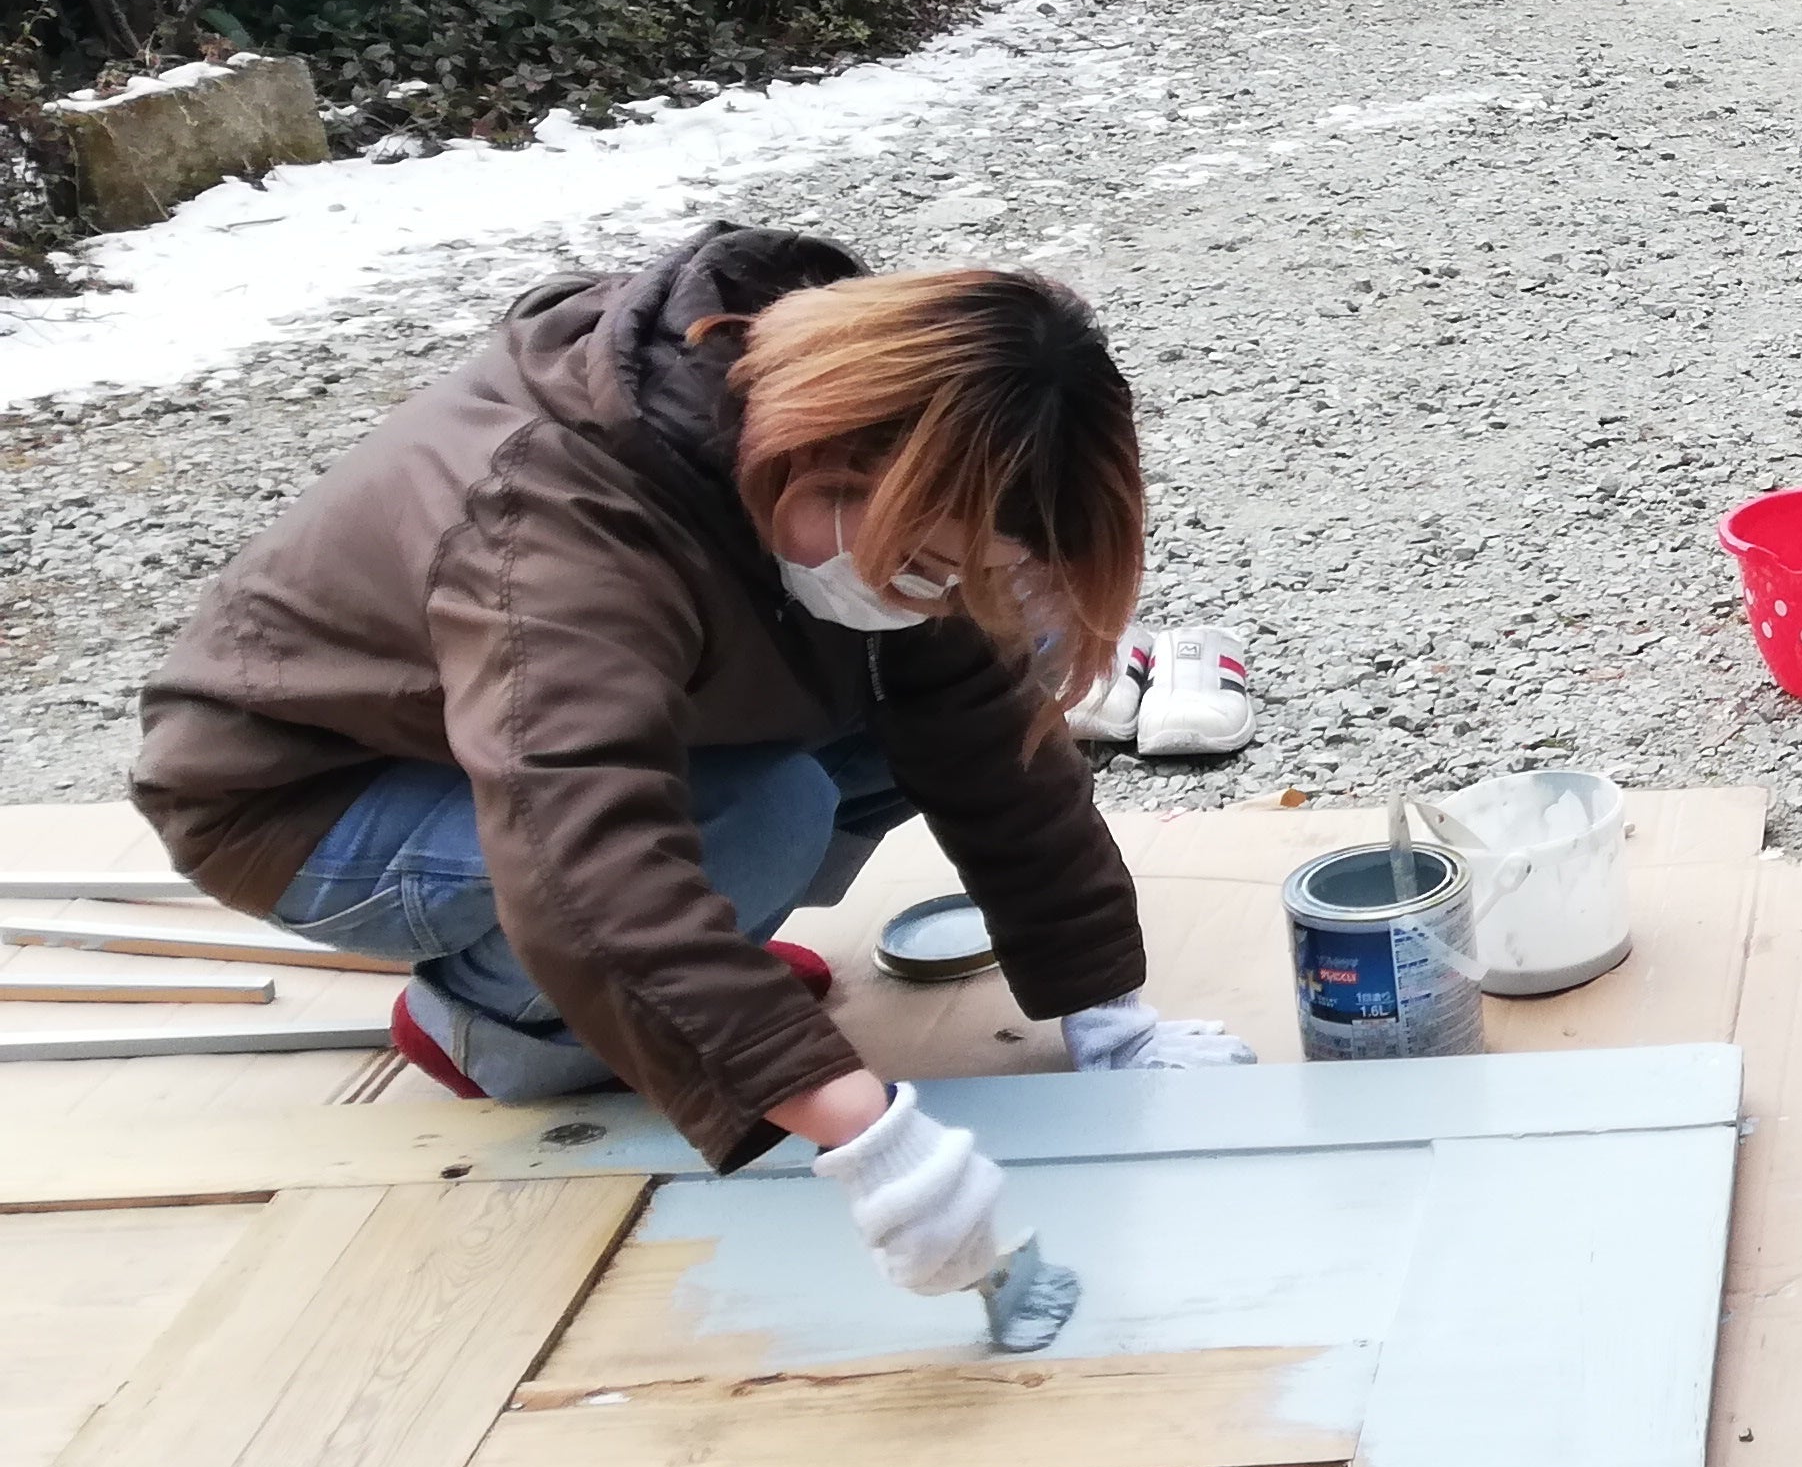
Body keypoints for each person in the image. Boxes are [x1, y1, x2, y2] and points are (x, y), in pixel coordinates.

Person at [131, 227, 1250, 1314]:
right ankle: (497, 1027)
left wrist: (1108, 1013)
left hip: (497, 741)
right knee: (767, 814)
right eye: (922, 565)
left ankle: (696, 974)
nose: (937, 593)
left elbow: (983, 732)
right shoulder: (559, 520)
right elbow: (583, 858)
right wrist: (863, 1134)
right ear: (825, 467)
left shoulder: (862, 430)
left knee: (918, 706)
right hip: (312, 801)